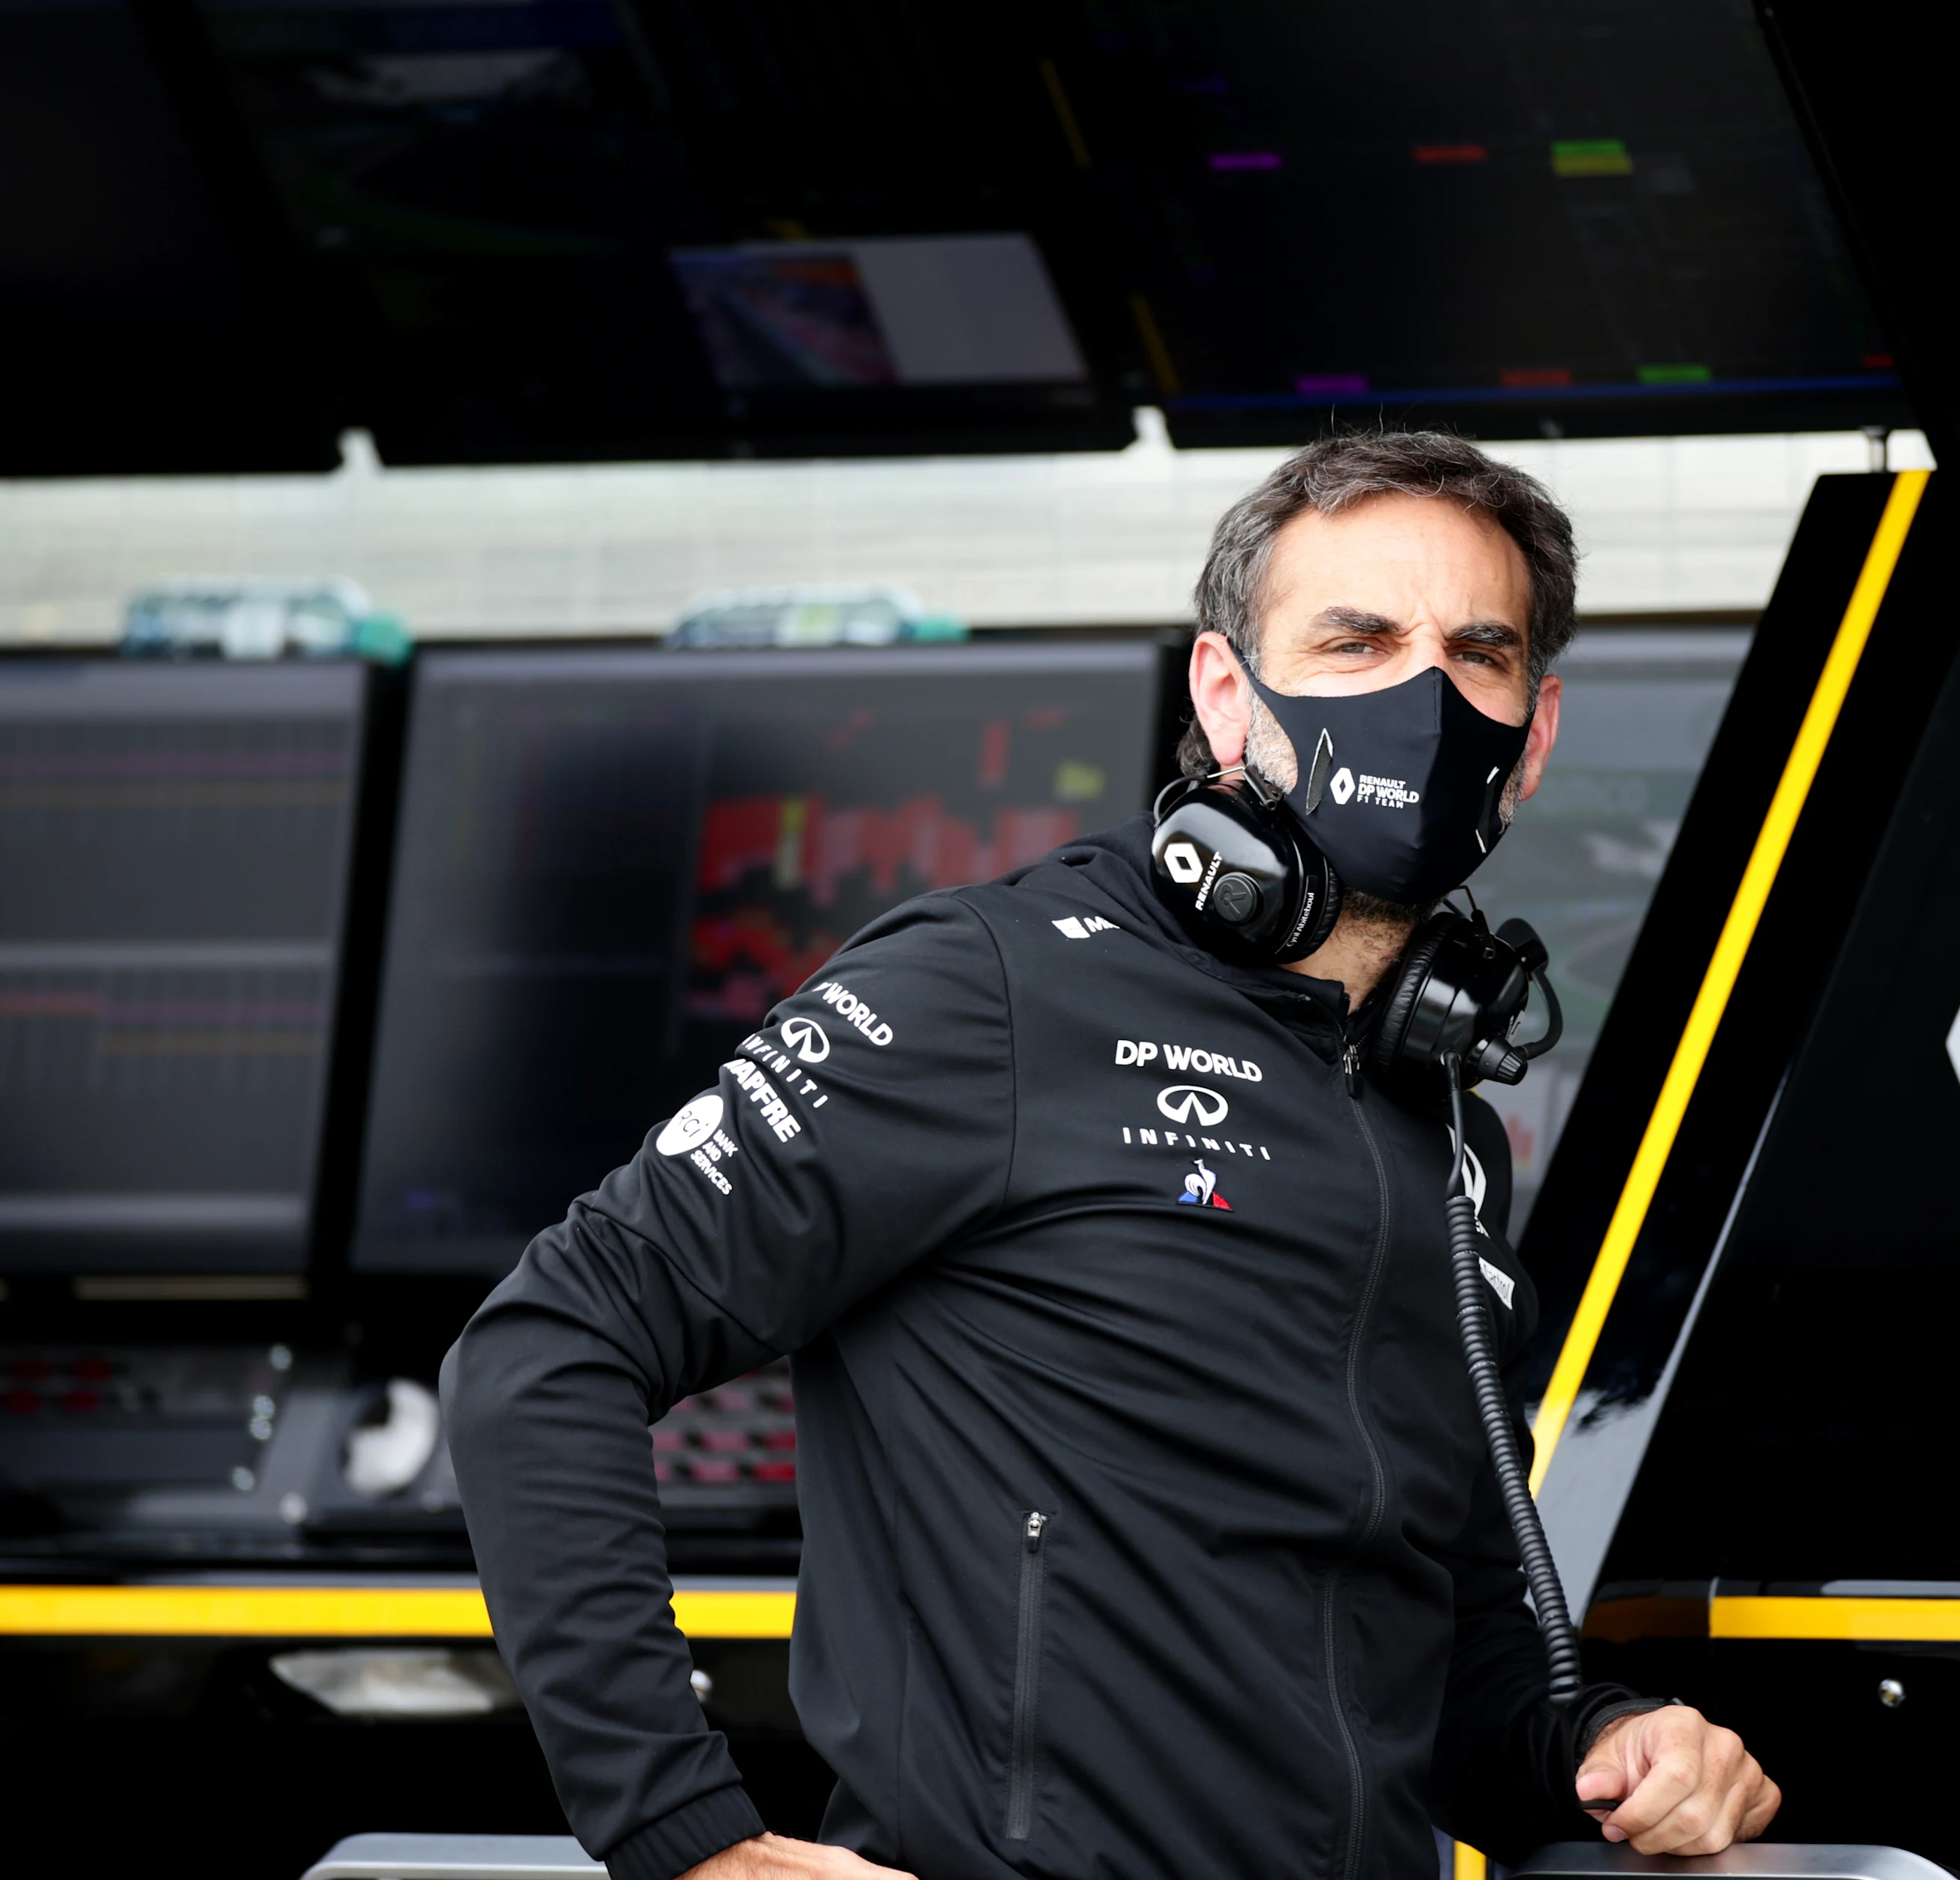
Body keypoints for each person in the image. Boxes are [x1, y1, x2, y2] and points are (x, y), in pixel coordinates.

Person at [444, 431, 1780, 1880]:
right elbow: (546, 1346)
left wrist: (1610, 1742)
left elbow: (1442, 1663)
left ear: (1537, 728)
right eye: (1355, 640)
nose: (1425, 690)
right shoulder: (992, 987)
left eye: (1477, 650)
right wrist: (683, 1835)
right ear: (1226, 693)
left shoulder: (1442, 1118)